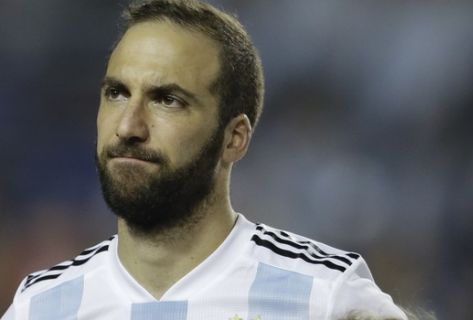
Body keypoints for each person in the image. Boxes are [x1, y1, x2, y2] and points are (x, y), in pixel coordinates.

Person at [1, 0, 407, 319]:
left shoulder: (326, 297)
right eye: (117, 93)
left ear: (235, 138)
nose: (129, 126)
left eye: (167, 100)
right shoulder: (40, 306)